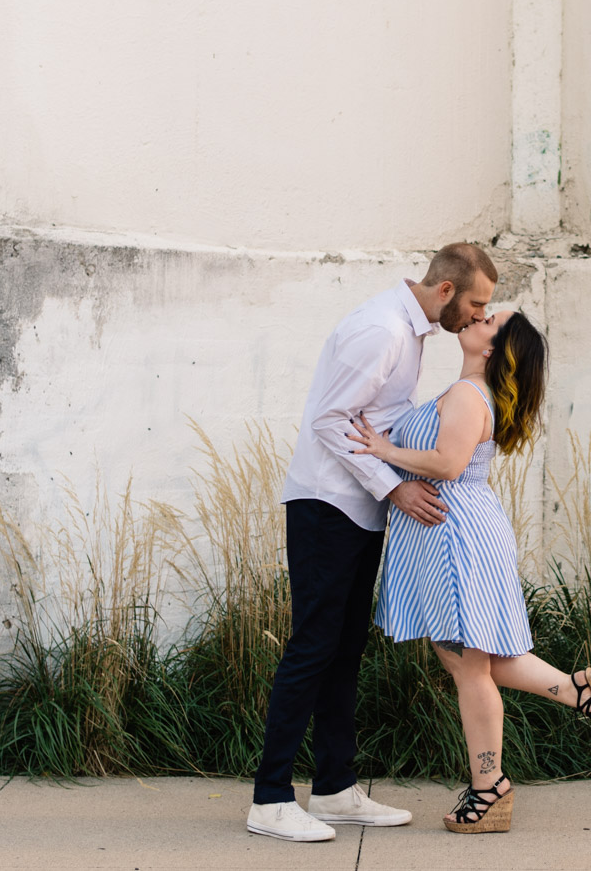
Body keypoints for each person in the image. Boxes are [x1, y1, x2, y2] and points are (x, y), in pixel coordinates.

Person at [246, 243, 497, 844]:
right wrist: (395, 489)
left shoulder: (408, 332)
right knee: (312, 645)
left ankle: (333, 789)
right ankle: (270, 797)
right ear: (445, 292)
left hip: (356, 510)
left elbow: (376, 417)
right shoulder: (381, 330)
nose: (478, 316)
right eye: (476, 303)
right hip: (326, 505)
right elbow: (331, 420)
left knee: (343, 648)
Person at [350, 308, 591, 835]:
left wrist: (385, 448)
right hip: (456, 531)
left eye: (489, 319)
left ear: (492, 349)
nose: (478, 316)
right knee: (474, 658)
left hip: (453, 537)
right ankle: (582, 692)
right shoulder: (473, 393)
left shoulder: (467, 395)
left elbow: (449, 464)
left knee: (467, 665)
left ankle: (490, 788)